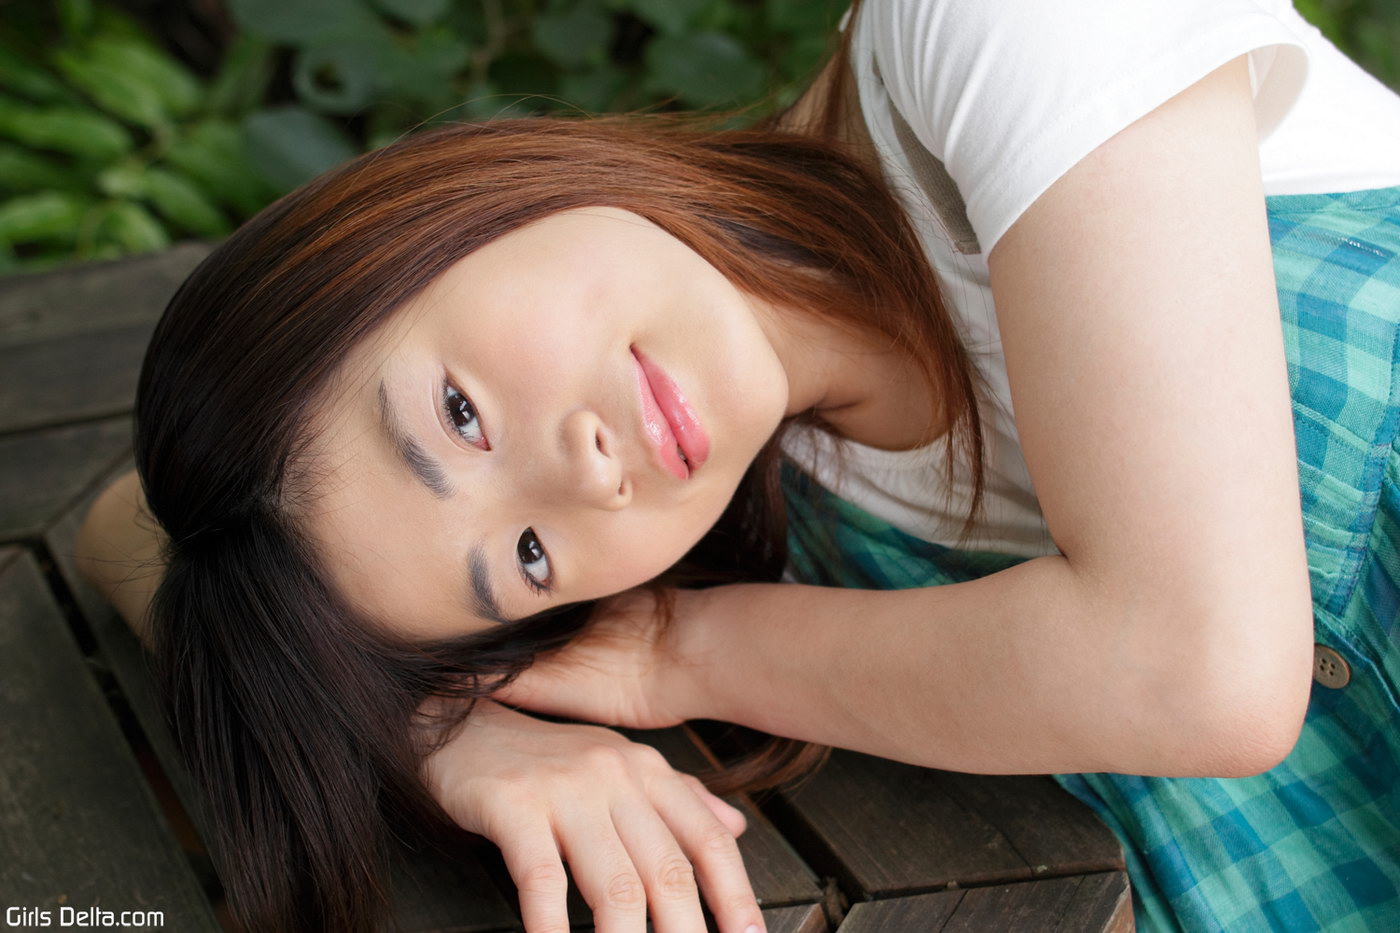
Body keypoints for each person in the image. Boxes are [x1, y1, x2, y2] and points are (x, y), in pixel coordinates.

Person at [74, 0, 1400, 931]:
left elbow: (1203, 672)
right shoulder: (786, 500)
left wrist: (681, 656)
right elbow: (128, 532)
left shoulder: (997, 27)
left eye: (461, 415)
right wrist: (457, 740)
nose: (588, 477)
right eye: (527, 559)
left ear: (422, 215)